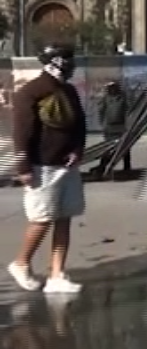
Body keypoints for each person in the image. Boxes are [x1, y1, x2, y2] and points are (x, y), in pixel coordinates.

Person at [7, 44, 87, 295]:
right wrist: (24, 167)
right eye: (67, 59)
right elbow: (21, 133)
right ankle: (21, 264)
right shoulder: (30, 92)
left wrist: (77, 150)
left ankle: (57, 275)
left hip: (67, 166)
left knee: (64, 219)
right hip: (41, 167)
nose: (71, 63)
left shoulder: (69, 90)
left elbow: (79, 126)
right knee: (41, 220)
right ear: (53, 61)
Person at [94, 80, 132, 178]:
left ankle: (127, 167)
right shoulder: (105, 98)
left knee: (124, 148)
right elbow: (101, 111)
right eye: (110, 88)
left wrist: (128, 124)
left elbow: (128, 110)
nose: (112, 89)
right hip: (109, 127)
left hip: (121, 127)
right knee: (108, 148)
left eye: (113, 87)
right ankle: (103, 166)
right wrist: (103, 124)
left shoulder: (122, 97)